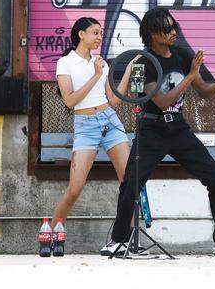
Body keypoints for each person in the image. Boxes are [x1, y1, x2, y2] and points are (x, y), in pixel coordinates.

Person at [107, 6, 215, 257]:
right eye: (167, 28)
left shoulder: (183, 55)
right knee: (132, 183)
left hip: (178, 128)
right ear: (152, 32)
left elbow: (204, 91)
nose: (174, 32)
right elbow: (159, 101)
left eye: (175, 27)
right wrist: (191, 75)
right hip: (151, 128)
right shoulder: (142, 62)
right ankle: (117, 241)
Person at [51, 17, 140, 253]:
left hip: (110, 121)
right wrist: (95, 74)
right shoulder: (65, 63)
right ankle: (51, 233)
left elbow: (114, 101)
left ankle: (128, 240)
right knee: (75, 187)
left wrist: (128, 71)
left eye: (101, 33)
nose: (99, 37)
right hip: (85, 126)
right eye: (95, 32)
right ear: (81, 34)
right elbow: (69, 101)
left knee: (128, 182)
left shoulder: (102, 63)